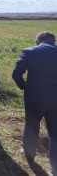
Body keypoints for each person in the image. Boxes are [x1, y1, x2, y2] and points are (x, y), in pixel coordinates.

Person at [12, 31, 57, 174]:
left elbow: (16, 74)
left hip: (34, 98)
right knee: (54, 131)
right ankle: (55, 166)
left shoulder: (29, 52)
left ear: (37, 42)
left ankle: (30, 156)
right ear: (54, 42)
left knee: (31, 126)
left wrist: (25, 87)